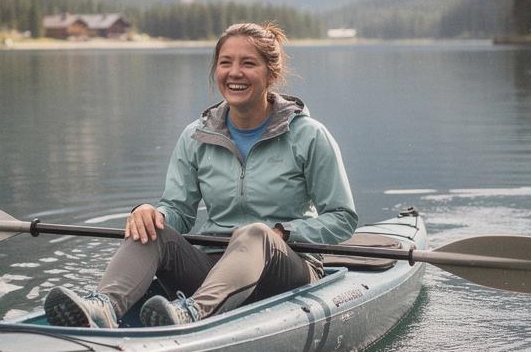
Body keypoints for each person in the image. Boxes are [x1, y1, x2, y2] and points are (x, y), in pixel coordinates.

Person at [44, 21, 357, 329]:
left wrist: (284, 233)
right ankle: (103, 307)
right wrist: (151, 213)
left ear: (271, 74)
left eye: (248, 63)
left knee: (255, 233)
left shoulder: (309, 136)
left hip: (285, 269)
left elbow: (342, 217)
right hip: (214, 268)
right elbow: (178, 211)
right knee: (153, 228)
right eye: (225, 63)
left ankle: (193, 314)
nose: (234, 72)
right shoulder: (195, 136)